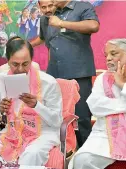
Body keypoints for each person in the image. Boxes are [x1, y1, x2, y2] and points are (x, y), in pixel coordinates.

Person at [0, 36, 62, 165]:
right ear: (8, 61)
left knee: (31, 153)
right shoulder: (0, 80)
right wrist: (0, 109)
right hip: (13, 131)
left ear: (31, 60)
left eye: (25, 64)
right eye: (15, 64)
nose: (20, 69)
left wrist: (36, 105)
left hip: (43, 133)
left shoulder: (48, 82)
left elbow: (56, 121)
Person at [31, 0, 100, 147]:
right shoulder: (47, 17)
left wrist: (62, 23)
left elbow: (93, 26)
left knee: (82, 118)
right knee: (55, 116)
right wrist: (25, 45)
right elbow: (43, 39)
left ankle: (84, 156)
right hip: (54, 75)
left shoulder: (82, 7)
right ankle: (61, 153)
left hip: (79, 72)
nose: (50, 4)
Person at [68, 39, 126, 169]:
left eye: (114, 53)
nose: (109, 59)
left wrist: (122, 85)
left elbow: (102, 105)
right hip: (105, 135)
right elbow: (95, 107)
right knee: (82, 160)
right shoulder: (102, 79)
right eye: (106, 56)